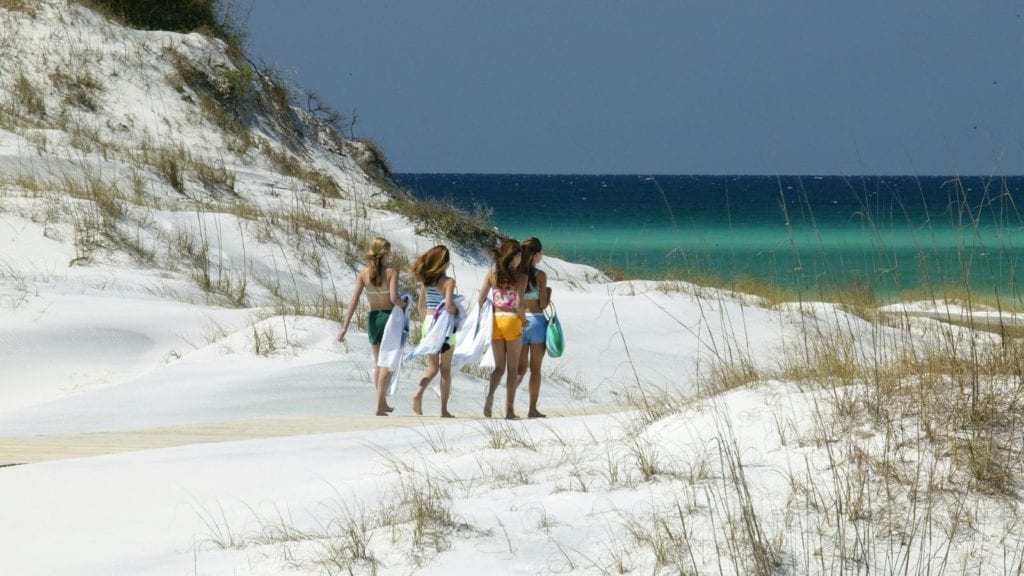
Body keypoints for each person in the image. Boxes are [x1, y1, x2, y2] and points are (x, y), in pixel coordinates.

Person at [337, 237, 407, 416]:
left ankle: (382, 403)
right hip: (389, 318)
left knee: (378, 363)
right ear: (385, 253)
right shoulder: (392, 272)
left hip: (373, 318)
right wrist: (405, 304)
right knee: (386, 363)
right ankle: (378, 405)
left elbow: (354, 300)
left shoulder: (363, 274)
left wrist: (345, 326)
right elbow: (393, 299)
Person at [479, 239, 528, 419]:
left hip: (495, 321)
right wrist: (523, 320)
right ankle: (509, 410)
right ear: (514, 256)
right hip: (512, 321)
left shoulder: (492, 274)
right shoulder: (521, 277)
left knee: (499, 367)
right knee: (512, 369)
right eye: (519, 255)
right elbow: (519, 303)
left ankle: (490, 397)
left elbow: (481, 298)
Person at [410, 245, 458, 418]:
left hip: (429, 322)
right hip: (444, 325)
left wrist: (426, 324)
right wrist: (458, 313)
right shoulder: (449, 282)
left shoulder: (426, 282)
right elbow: (450, 305)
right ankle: (444, 410)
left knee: (432, 366)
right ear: (444, 263)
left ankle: (418, 393)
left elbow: (420, 306)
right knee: (445, 369)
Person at [516, 237, 552, 418]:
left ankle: (509, 405)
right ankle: (532, 409)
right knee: (535, 369)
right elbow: (543, 304)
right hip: (537, 321)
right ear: (536, 254)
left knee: (519, 369)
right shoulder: (540, 275)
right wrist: (549, 294)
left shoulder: (516, 273)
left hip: (520, 322)